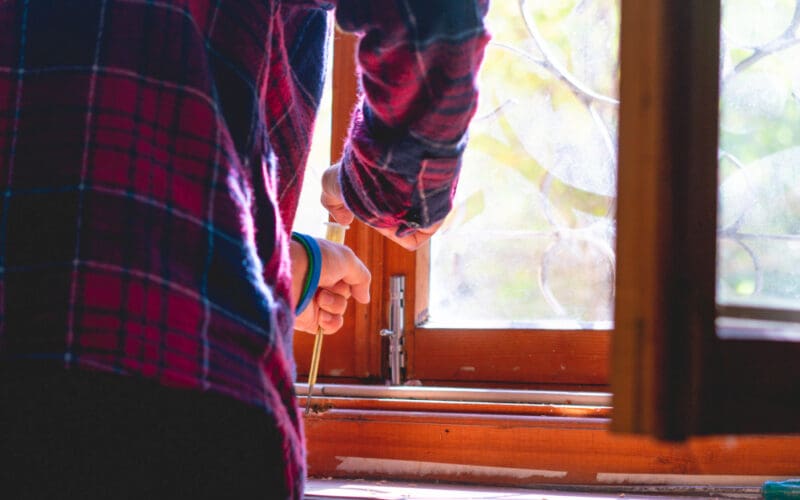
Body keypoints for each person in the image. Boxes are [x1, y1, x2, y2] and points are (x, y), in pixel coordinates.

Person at [0, 0, 489, 497]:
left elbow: (71, 182)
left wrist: (281, 267)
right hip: (179, 398)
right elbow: (435, 17)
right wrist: (376, 190)